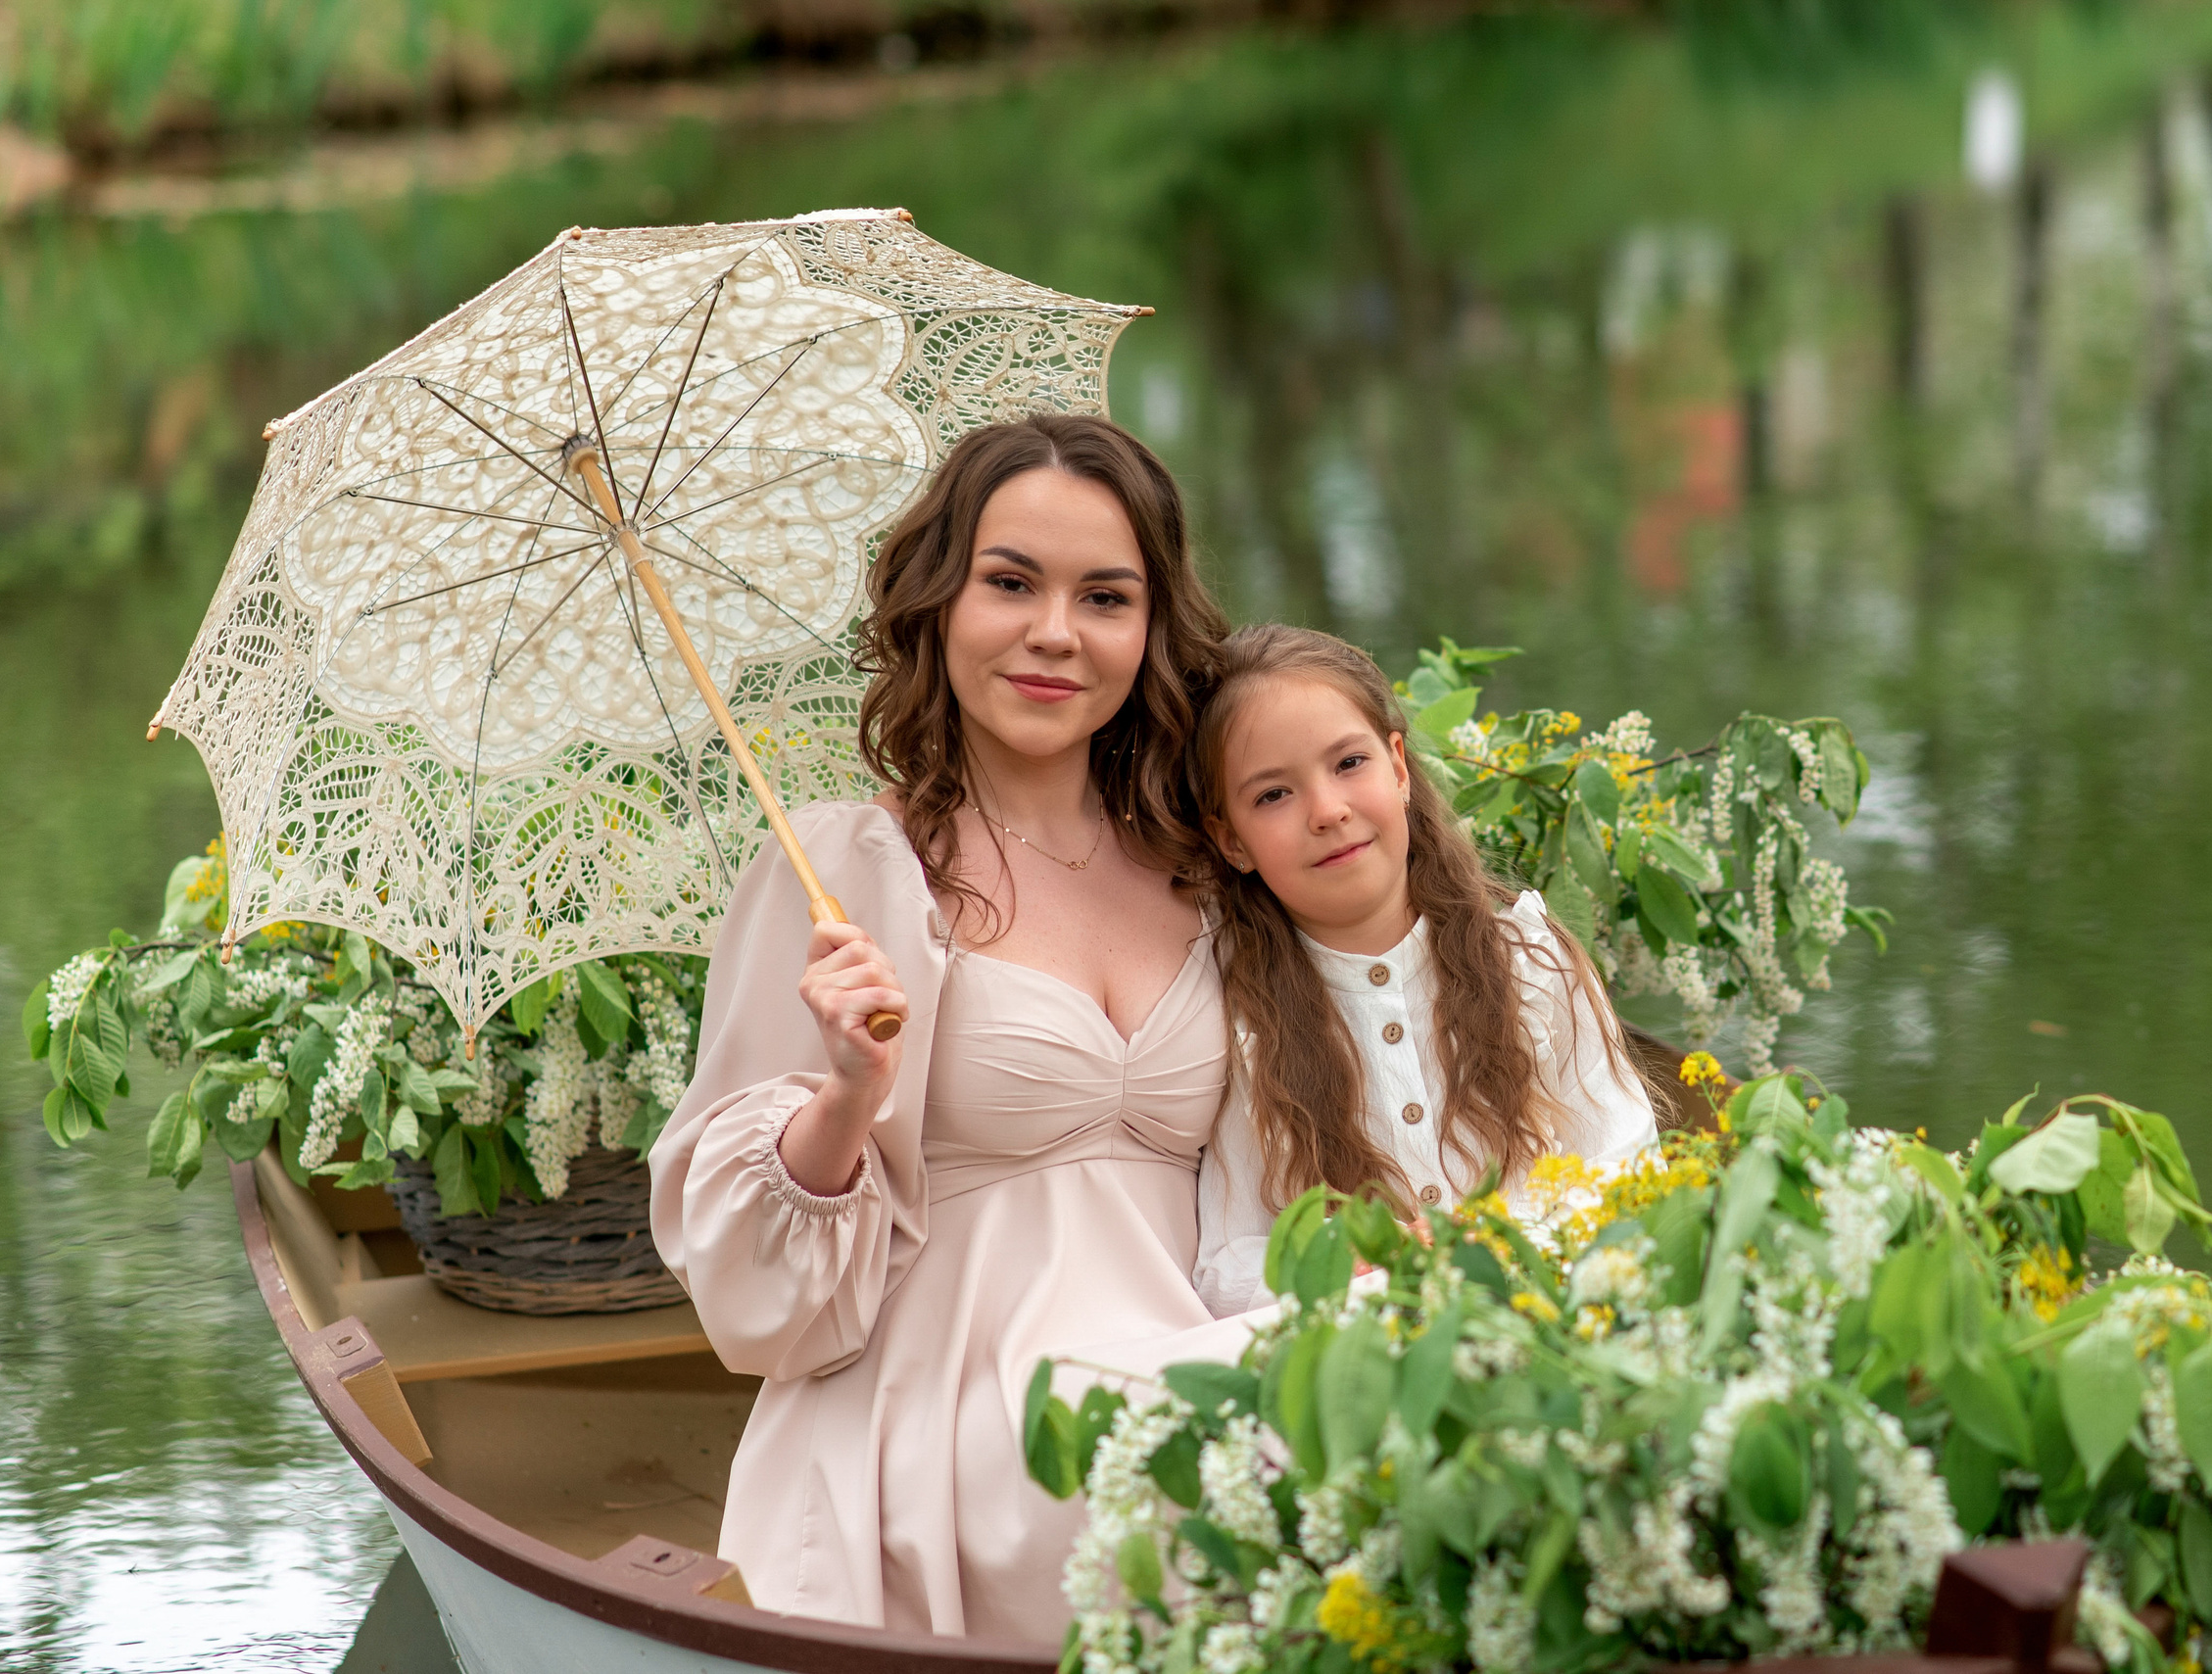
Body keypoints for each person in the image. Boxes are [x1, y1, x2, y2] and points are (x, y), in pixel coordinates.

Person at [650, 413, 1248, 1637]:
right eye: (1010, 582)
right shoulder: (843, 874)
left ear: (1152, 627)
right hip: (951, 1419)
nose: (1053, 632)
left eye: (1105, 595)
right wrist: (846, 1096)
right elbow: (745, 1294)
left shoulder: (1209, 865)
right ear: (936, 604)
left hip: (1194, 1370)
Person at [1188, 625, 1659, 1315]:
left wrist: (1500, 1237)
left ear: (1400, 767)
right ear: (1231, 839)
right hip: (1375, 1363)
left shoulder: (1527, 957)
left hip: (1556, 1330)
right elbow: (1225, 1266)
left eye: (1349, 763)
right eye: (1272, 796)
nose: (1328, 810)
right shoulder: (1243, 1024)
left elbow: (1628, 1162)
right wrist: (1345, 1258)